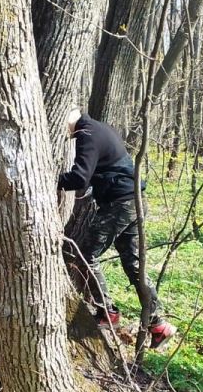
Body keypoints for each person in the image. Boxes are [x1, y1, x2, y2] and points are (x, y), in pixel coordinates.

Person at [58, 108, 176, 348]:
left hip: (120, 203)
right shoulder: (101, 128)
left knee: (86, 254)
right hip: (133, 199)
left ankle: (107, 312)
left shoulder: (86, 133)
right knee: (132, 264)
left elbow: (80, 178)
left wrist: (50, 180)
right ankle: (158, 323)